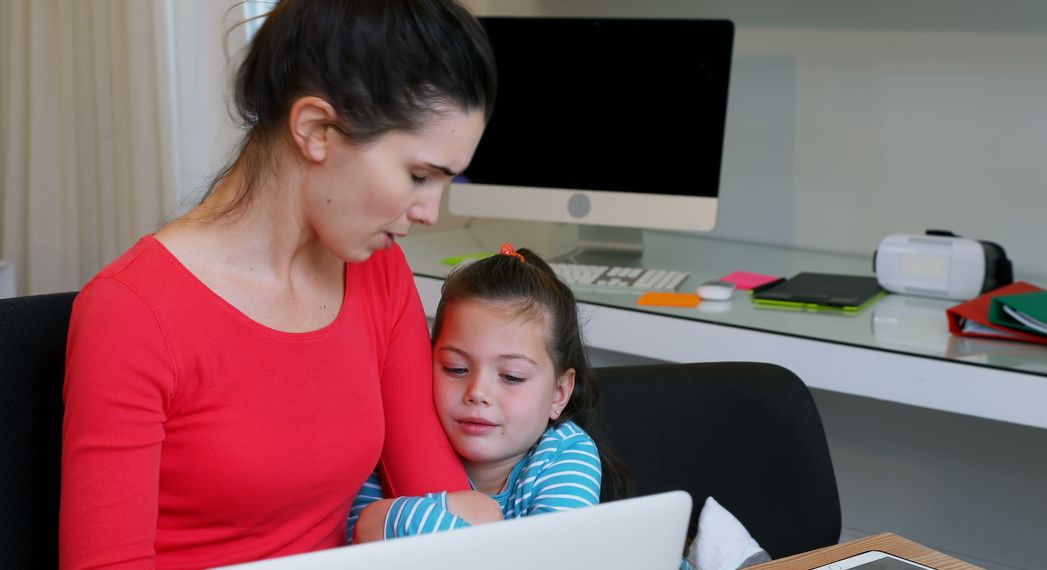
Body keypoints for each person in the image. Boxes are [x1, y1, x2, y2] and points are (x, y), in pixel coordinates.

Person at [59, 0, 496, 567]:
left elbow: (441, 508)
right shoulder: (132, 313)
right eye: (417, 175)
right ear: (315, 129)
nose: (430, 212)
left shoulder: (378, 273)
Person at [346, 244, 632, 542]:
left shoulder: (564, 454)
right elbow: (357, 535)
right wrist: (449, 508)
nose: (477, 393)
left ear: (559, 393)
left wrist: (408, 517)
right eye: (456, 369)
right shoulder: (399, 448)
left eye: (511, 376)